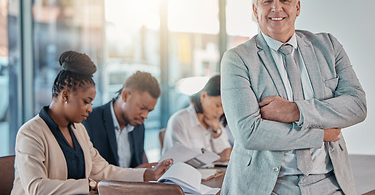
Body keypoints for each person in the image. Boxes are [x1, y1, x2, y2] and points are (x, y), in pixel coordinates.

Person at [220, 0, 367, 195]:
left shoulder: (328, 46)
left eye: (284, 0)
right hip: (269, 187)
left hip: (330, 184)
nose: (276, 8)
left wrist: (295, 111)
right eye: (267, 1)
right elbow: (249, 133)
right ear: (254, 10)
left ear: (297, 7)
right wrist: (320, 135)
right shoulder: (237, 59)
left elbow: (357, 106)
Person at [11, 51, 172, 195]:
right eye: (86, 102)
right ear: (65, 96)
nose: (89, 109)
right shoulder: (31, 133)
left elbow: (103, 170)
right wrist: (88, 185)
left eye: (91, 103)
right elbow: (36, 188)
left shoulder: (78, 130)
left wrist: (148, 174)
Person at [83, 71, 160, 168]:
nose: (145, 116)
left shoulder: (138, 126)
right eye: (142, 108)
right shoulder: (90, 121)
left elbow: (140, 161)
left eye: (149, 111)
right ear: (125, 96)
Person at [162, 75, 232, 162]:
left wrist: (217, 131)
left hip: (213, 174)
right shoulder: (180, 120)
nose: (220, 111)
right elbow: (182, 161)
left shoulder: (216, 122)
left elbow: (227, 155)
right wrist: (217, 158)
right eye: (218, 105)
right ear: (203, 96)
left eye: (224, 108)